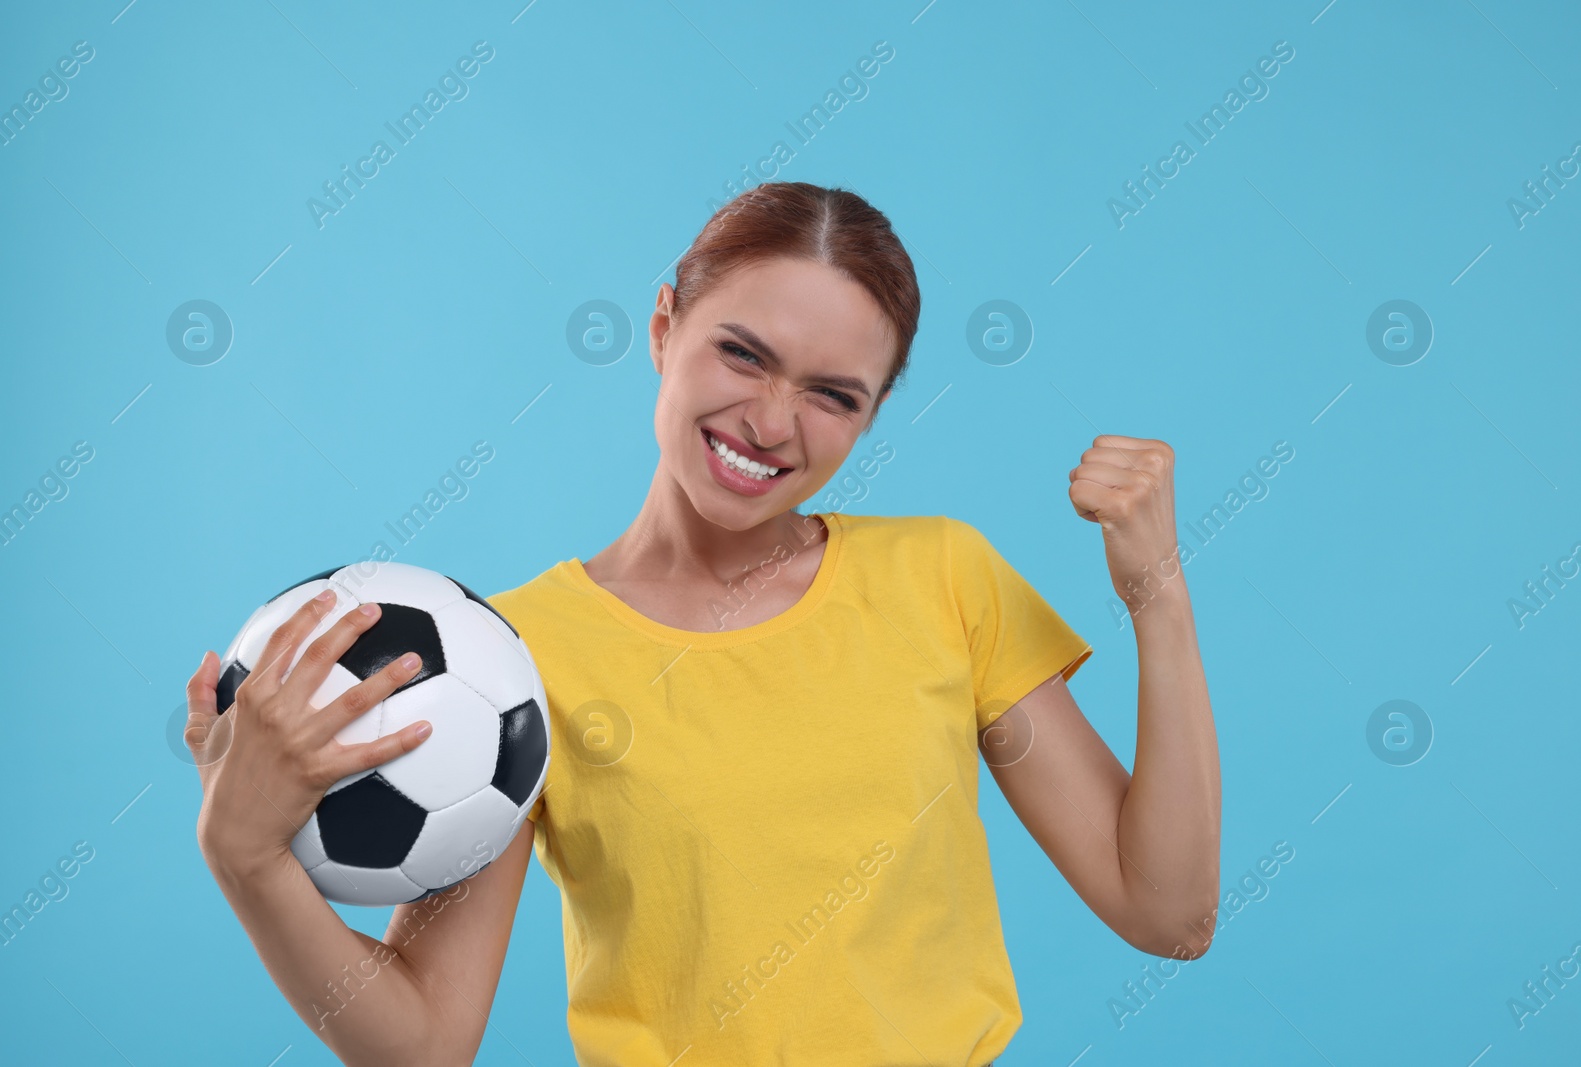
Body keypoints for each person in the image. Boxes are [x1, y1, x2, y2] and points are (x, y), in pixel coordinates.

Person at [185, 181, 1220, 1066]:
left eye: (833, 394)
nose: (772, 422)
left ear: (872, 414)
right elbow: (423, 1038)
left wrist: (1156, 591)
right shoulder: (513, 661)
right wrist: (248, 854)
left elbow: (1166, 912)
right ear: (663, 327)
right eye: (742, 353)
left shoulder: (945, 577)